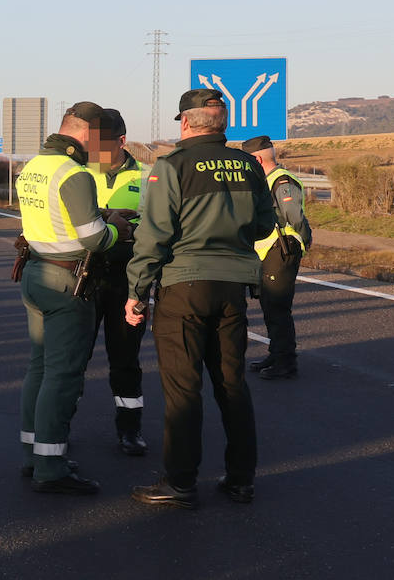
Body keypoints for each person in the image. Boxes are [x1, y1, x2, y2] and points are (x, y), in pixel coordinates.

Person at [125, 89, 276, 508]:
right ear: (222, 123)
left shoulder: (171, 166)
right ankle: (241, 478)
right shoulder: (248, 165)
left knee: (183, 389)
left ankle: (180, 482)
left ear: (186, 122)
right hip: (233, 289)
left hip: (185, 287)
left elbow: (153, 236)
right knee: (232, 384)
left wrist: (137, 292)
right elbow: (265, 228)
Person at [16, 102, 133, 495]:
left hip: (34, 271)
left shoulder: (34, 166)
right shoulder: (74, 173)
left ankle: (34, 453)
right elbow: (95, 239)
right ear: (87, 133)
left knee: (39, 366)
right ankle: (51, 467)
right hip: (67, 280)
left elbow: (55, 217)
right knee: (63, 375)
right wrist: (121, 232)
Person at [87, 108, 149, 456]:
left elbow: (161, 229)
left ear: (122, 142)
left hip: (128, 279)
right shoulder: (80, 174)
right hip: (85, 276)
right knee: (75, 358)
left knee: (125, 359)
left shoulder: (150, 177)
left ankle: (130, 429)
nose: (92, 152)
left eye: (100, 146)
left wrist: (134, 228)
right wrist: (107, 217)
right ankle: (61, 426)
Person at [243, 135, 312, 380]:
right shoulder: (265, 180)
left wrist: (304, 239)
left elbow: (293, 215)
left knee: (278, 307)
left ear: (258, 159)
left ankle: (286, 362)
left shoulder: (281, 180)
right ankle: (276, 353)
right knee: (269, 306)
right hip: (269, 251)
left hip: (282, 249)